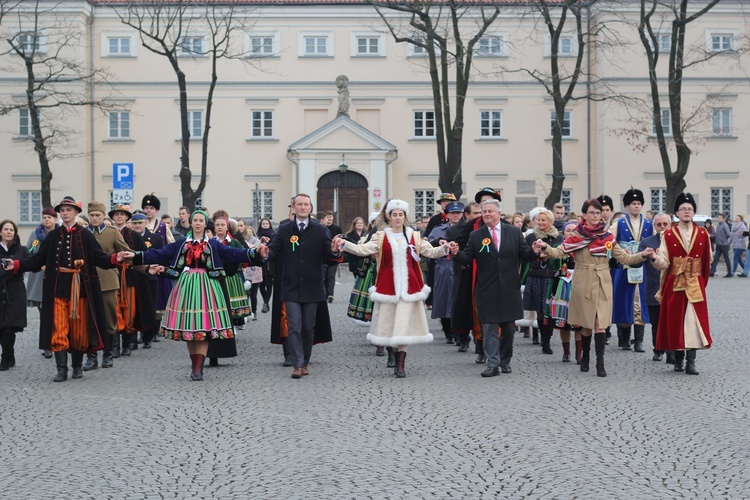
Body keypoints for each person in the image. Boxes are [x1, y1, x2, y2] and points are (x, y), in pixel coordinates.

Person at [125, 209, 260, 381]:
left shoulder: (213, 244)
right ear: (191, 222)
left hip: (208, 286)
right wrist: (136, 256)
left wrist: (255, 253)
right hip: (187, 285)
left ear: (205, 224)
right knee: (190, 326)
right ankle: (195, 364)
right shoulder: (182, 243)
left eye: (200, 220)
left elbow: (233, 254)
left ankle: (199, 368)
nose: (197, 223)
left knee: (203, 327)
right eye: (195, 220)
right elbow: (159, 253)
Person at [3, 196, 126, 382]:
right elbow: (37, 260)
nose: (65, 213)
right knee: (59, 329)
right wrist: (18, 264)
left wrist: (114, 259)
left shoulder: (86, 235)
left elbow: (100, 258)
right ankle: (61, 369)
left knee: (78, 331)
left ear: (76, 212)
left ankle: (77, 367)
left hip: (81, 292)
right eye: (63, 210)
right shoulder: (53, 236)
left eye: (69, 210)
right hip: (58, 290)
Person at [335, 199, 452, 378]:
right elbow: (363, 249)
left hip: (409, 287)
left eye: (401, 214)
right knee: (390, 325)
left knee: (403, 326)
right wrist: (344, 244)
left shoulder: (414, 236)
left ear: (405, 217)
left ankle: (400, 365)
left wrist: (445, 248)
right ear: (389, 217)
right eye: (394, 214)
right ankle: (393, 355)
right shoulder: (380, 237)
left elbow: (431, 252)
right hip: (387, 286)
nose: (397, 218)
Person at [540, 199, 654, 377]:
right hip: (583, 280)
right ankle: (585, 356)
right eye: (592, 212)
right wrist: (545, 247)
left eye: (598, 213)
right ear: (584, 215)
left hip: (603, 281)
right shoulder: (576, 236)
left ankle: (600, 362)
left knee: (600, 324)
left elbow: (625, 258)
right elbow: (558, 252)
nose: (595, 216)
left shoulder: (607, 237)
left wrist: (642, 255)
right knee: (586, 325)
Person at [451, 199, 543, 377]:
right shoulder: (476, 235)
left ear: (499, 214)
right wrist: (456, 252)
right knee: (490, 327)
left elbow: (525, 255)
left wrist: (534, 251)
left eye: (490, 211)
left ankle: (505, 360)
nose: (486, 214)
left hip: (509, 287)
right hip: (487, 288)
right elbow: (466, 258)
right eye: (484, 211)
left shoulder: (514, 232)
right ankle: (492, 364)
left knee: (508, 328)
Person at [259, 194, 341, 379]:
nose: (303, 207)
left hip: (312, 286)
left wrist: (334, 251)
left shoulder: (320, 230)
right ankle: (298, 364)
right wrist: (265, 253)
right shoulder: (284, 229)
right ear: (293, 208)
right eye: (299, 204)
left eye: (306, 204)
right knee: (294, 325)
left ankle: (305, 359)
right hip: (291, 286)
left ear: (310, 208)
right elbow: (274, 250)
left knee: (308, 327)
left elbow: (328, 254)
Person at [653, 193, 712, 375]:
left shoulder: (703, 234)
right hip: (675, 283)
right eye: (683, 209)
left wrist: (701, 282)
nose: (686, 212)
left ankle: (691, 361)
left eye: (690, 209)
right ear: (676, 213)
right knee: (675, 320)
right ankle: (678, 358)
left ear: (693, 212)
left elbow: (707, 260)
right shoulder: (668, 234)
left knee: (693, 321)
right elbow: (664, 261)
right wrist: (655, 258)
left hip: (695, 282)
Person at [452, 188, 503, 364]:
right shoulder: (472, 226)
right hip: (476, 275)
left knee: (501, 314)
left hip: (499, 277)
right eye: (483, 204)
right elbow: (460, 245)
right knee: (477, 313)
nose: (485, 207)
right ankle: (480, 346)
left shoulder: (505, 227)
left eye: (489, 203)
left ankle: (500, 350)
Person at [83, 200, 132, 370]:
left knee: (109, 319)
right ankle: (91, 356)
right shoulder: (83, 233)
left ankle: (108, 354)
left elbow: (126, 253)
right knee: (89, 320)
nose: (95, 218)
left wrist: (146, 266)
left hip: (108, 281)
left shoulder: (112, 233)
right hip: (87, 282)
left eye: (97, 215)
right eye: (92, 215)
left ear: (104, 216)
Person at [110, 205, 158, 355]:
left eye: (122, 214)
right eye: (116, 214)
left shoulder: (134, 236)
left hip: (131, 277)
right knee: (114, 310)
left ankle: (127, 344)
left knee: (129, 311)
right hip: (112, 276)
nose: (119, 217)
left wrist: (146, 269)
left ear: (126, 217)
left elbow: (142, 256)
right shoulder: (108, 234)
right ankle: (115, 346)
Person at [610, 188, 653, 353]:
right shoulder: (618, 223)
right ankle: (625, 338)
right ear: (627, 206)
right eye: (633, 204)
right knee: (624, 300)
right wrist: (621, 251)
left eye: (639, 204)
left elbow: (658, 241)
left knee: (641, 303)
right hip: (624, 266)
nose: (636, 206)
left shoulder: (649, 224)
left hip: (643, 266)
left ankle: (639, 341)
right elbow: (609, 240)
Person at [523, 208, 563, 356]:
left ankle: (547, 339)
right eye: (538, 220)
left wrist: (548, 256)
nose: (540, 222)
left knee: (549, 312)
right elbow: (526, 255)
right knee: (539, 311)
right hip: (535, 276)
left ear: (550, 222)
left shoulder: (557, 237)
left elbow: (559, 256)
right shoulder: (531, 237)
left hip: (550, 278)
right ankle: (541, 337)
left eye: (543, 220)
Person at [428, 201, 465, 346]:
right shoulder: (438, 230)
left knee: (459, 298)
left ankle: (460, 332)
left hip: (460, 265)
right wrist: (438, 242)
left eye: (458, 213)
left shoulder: (466, 229)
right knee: (443, 299)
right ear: (447, 215)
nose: (456, 216)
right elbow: (428, 245)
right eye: (453, 213)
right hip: (443, 266)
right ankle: (448, 332)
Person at [448, 202, 482, 354]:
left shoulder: (485, 228)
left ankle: (479, 339)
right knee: (462, 303)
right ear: (466, 215)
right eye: (475, 213)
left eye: (479, 213)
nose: (478, 216)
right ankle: (462, 337)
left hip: (480, 270)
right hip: (463, 270)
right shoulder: (455, 230)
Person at [546, 221, 582, 363]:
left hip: (579, 285)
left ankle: (579, 353)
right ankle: (566, 352)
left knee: (579, 322)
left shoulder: (583, 248)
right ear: (563, 233)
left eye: (574, 230)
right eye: (568, 230)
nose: (571, 232)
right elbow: (550, 264)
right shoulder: (558, 248)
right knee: (563, 323)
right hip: (561, 286)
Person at [638, 212, 672, 362]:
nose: (662, 227)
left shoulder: (676, 241)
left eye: (665, 224)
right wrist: (642, 255)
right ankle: (657, 349)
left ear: (670, 225)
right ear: (654, 226)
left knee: (671, 322)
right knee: (656, 322)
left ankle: (672, 351)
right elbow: (637, 263)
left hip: (672, 288)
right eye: (659, 224)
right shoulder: (647, 242)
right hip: (653, 287)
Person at [26, 206, 58, 359]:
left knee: (57, 313)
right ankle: (47, 345)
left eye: (49, 217)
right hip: (39, 276)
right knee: (44, 314)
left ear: (55, 219)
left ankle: (58, 340)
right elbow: (29, 253)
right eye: (44, 217)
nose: (46, 220)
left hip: (57, 276)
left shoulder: (60, 233)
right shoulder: (36, 234)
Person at [0, 220, 28, 371]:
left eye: (12, 229)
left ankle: (6, 356)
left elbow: (29, 263)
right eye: (6, 229)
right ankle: (9, 355)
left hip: (15, 291)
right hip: (0, 289)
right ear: (1, 232)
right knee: (1, 326)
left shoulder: (22, 249)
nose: (9, 232)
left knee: (9, 326)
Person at [321, 211, 342, 303]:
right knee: (324, 275)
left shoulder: (337, 228)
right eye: (327, 217)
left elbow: (341, 239)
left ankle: (330, 294)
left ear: (333, 218)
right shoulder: (322, 228)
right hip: (325, 255)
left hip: (334, 255)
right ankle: (325, 293)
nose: (329, 219)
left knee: (331, 275)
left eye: (330, 217)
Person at [257, 217, 275, 313]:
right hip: (260, 262)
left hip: (270, 262)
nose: (265, 225)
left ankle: (266, 302)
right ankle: (265, 301)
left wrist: (268, 243)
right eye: (263, 224)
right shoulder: (258, 234)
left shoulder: (273, 234)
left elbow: (274, 247)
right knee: (261, 284)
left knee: (269, 282)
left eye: (266, 224)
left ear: (269, 225)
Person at [709, 213, 731, 277]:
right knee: (716, 259)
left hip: (724, 245)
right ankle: (712, 272)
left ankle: (729, 272)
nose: (718, 219)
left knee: (726, 259)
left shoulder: (725, 225)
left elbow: (728, 235)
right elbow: (717, 234)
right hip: (718, 245)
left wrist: (723, 240)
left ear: (723, 219)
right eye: (718, 217)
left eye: (720, 217)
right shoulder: (718, 225)